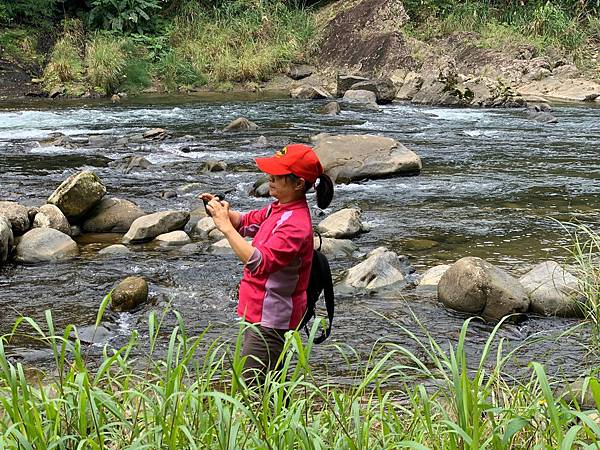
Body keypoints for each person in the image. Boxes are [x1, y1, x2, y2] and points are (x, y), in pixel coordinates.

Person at [201, 143, 334, 383]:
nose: (269, 177)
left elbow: (259, 263)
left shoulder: (295, 225)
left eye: (278, 175)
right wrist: (220, 211)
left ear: (298, 183)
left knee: (252, 389)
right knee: (270, 388)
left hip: (271, 320)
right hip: (259, 312)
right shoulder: (279, 208)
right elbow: (244, 222)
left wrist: (225, 228)